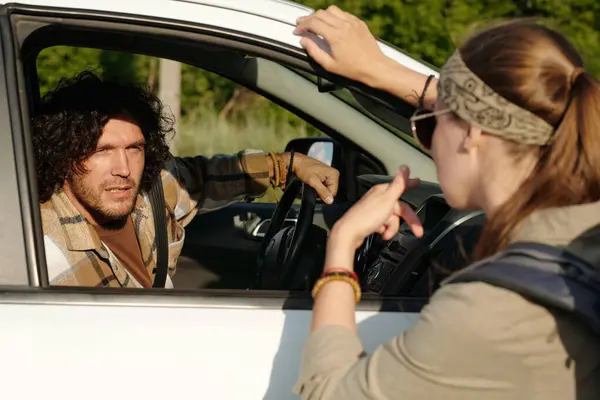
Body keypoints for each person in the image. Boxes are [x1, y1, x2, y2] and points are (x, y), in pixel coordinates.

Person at [292, 6, 600, 400]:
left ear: (472, 133)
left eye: (430, 122)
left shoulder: (488, 310)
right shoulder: (586, 233)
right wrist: (382, 72)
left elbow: (330, 391)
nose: (427, 138)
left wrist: (341, 246)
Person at [34, 71, 340, 288]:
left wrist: (287, 165)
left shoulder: (149, 191)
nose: (124, 168)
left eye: (134, 148)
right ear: (63, 157)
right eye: (102, 151)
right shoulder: (44, 248)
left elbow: (205, 178)